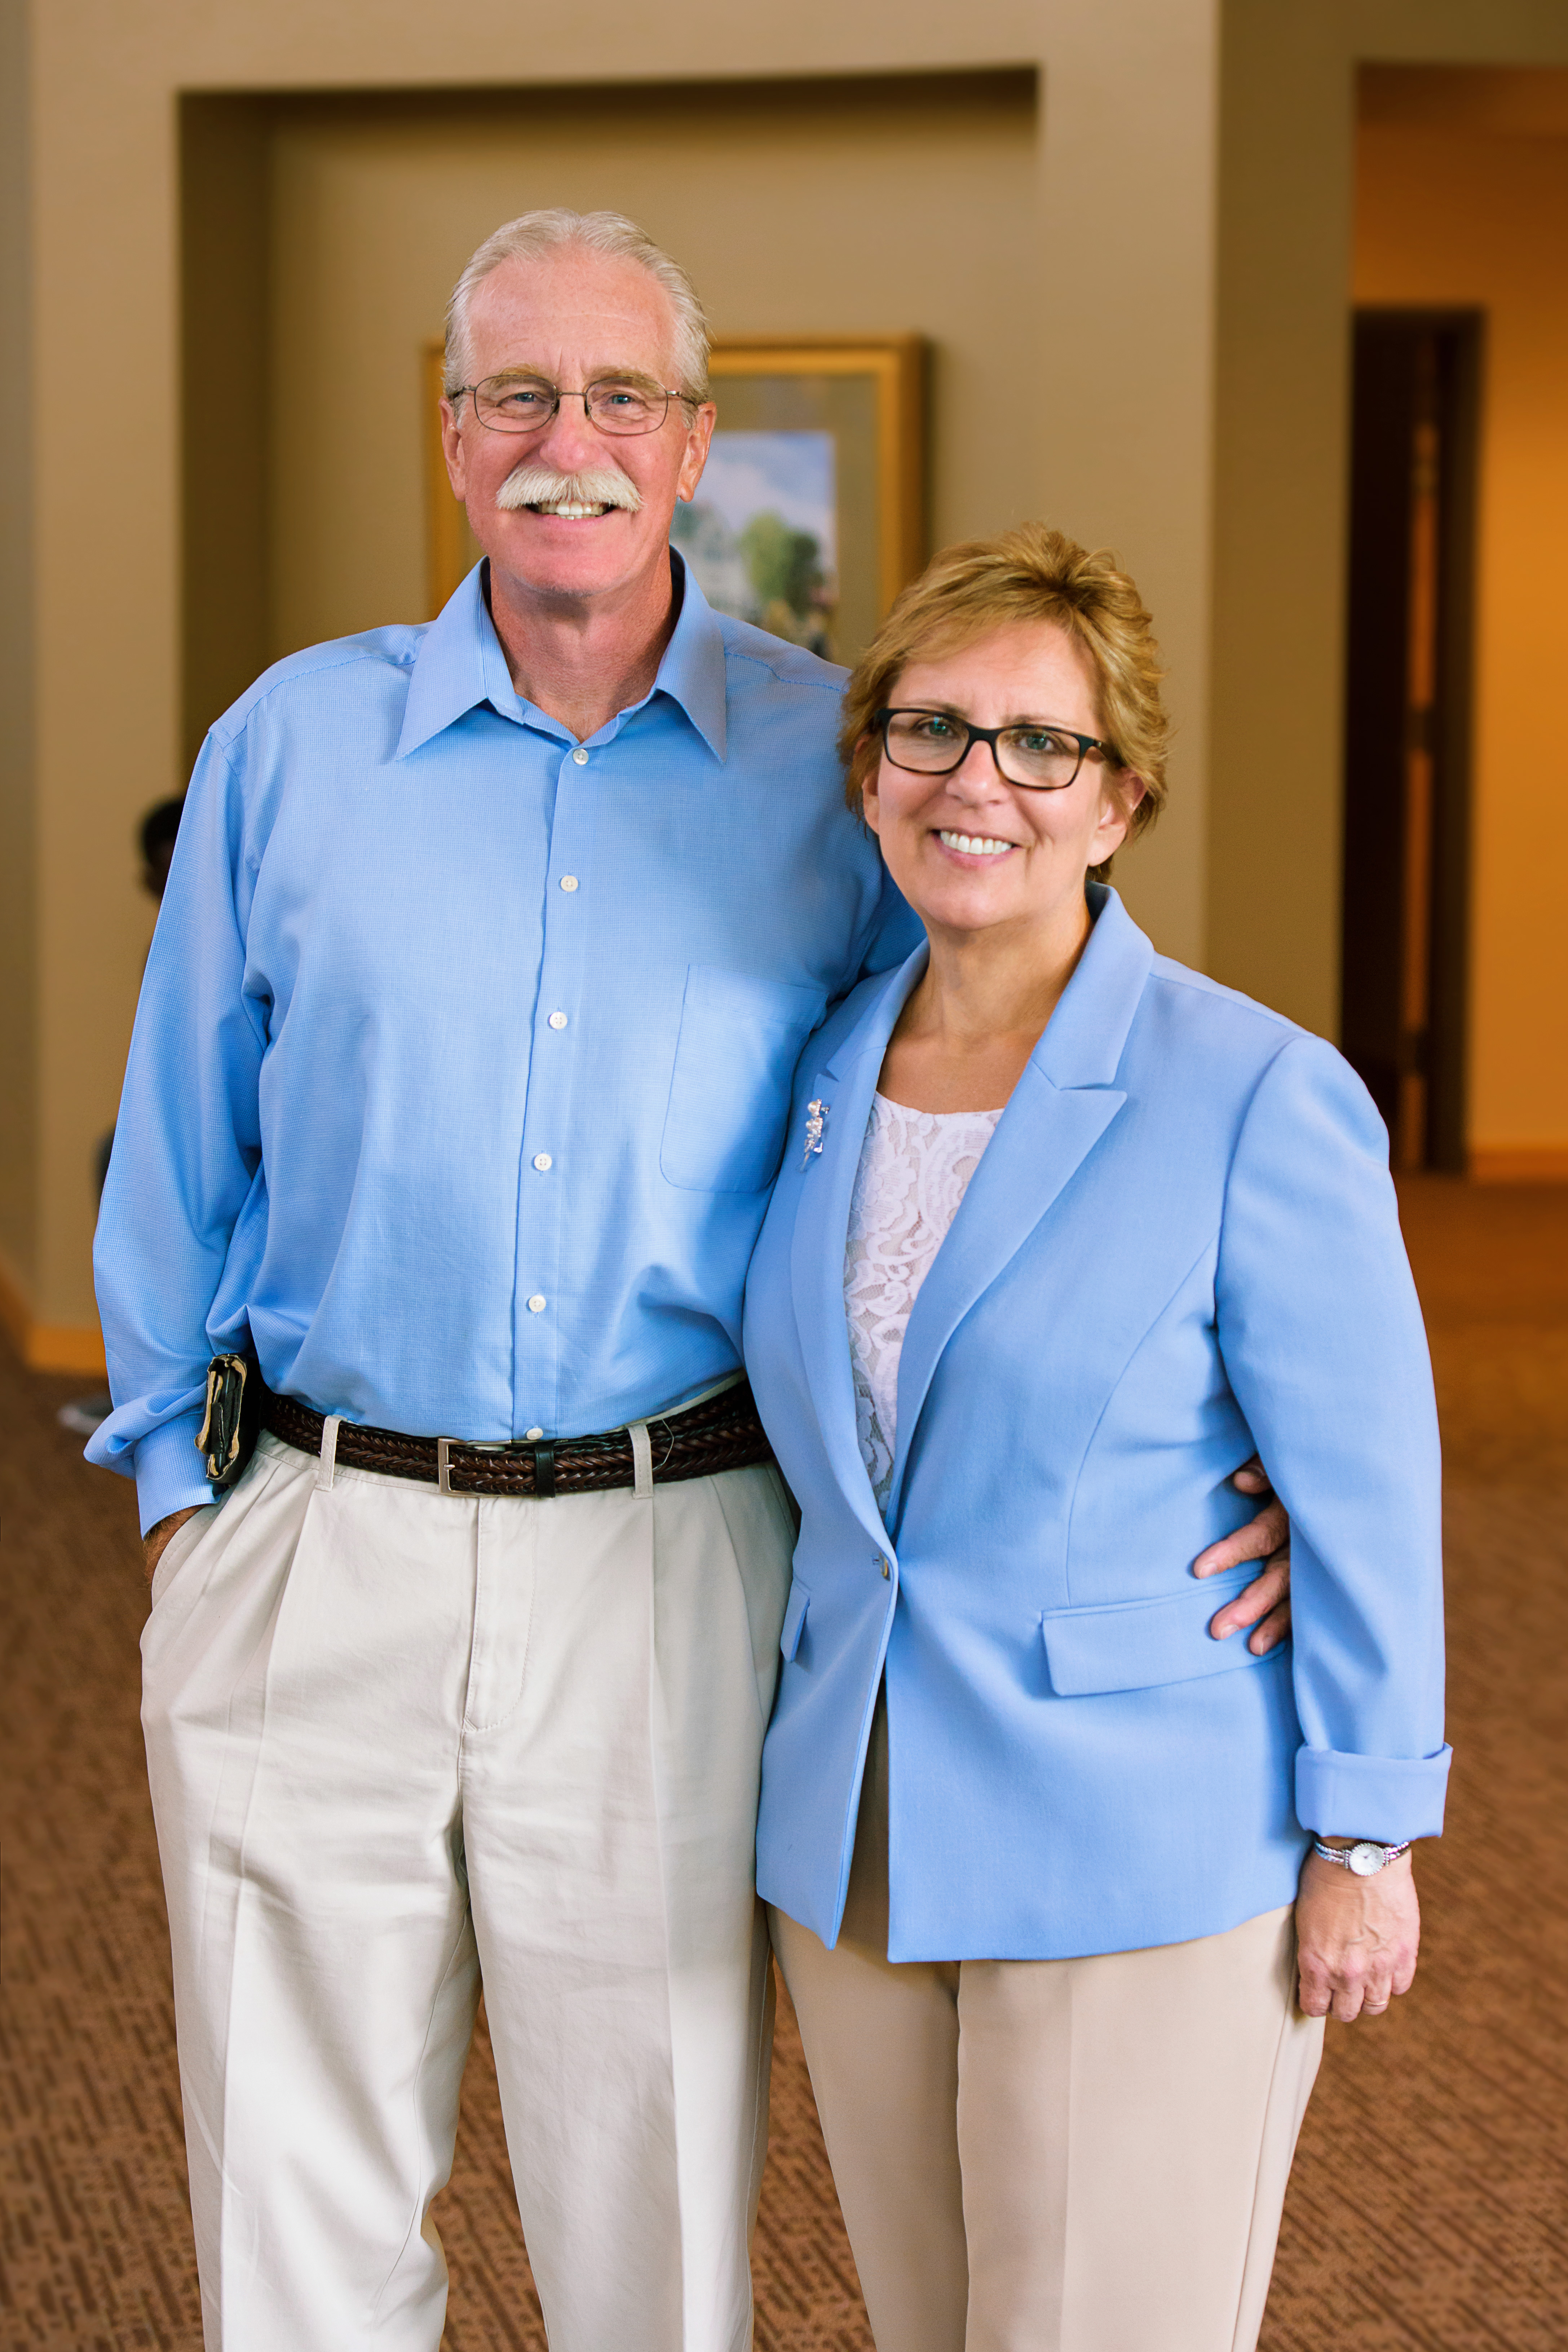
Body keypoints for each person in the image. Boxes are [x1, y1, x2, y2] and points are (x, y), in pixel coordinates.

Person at [87, 211, 1290, 2352]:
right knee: (286, 2213)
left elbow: (984, 1137)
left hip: (669, 1556)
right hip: (310, 1540)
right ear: (455, 439)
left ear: (694, 441)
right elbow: (180, 1161)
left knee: (646, 2217)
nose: (574, 440)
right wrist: (193, 1527)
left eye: (621, 395)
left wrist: (1222, 1440)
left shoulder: (839, 765)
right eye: (521, 396)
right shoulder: (293, 745)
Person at [743, 525, 1449, 2352]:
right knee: (928, 2322)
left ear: (1118, 797)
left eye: (1038, 743)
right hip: (863, 1832)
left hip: (1139, 1833)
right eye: (932, 729)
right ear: (870, 770)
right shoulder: (815, 1068)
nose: (977, 781)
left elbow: (1362, 1491)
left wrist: (1363, 1831)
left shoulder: (1254, 1092)